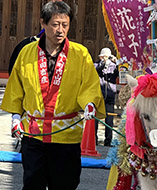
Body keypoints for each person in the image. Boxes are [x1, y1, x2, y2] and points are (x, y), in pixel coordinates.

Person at [1, 1, 105, 190]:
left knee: (65, 184)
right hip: (34, 135)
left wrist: (89, 104)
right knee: (32, 184)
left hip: (66, 136)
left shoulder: (80, 54)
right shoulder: (26, 52)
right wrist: (15, 118)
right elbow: (16, 88)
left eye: (65, 25)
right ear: (43, 23)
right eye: (55, 24)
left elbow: (89, 85)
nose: (60, 30)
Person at [94, 47, 119, 146]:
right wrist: (103, 63)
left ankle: (108, 141)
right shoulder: (96, 64)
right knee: (95, 120)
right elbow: (97, 70)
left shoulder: (113, 66)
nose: (104, 59)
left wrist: (116, 63)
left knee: (109, 120)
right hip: (99, 96)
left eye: (106, 57)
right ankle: (94, 140)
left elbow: (119, 74)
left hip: (110, 96)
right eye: (103, 57)